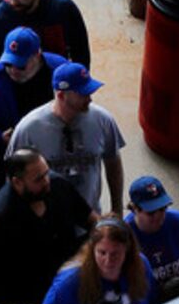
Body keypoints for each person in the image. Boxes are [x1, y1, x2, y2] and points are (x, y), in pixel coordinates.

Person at [0, 147, 94, 304]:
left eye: (46, 173)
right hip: (26, 301)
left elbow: (91, 219)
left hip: (68, 285)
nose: (47, 181)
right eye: (38, 179)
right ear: (17, 182)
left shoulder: (57, 186)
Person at [8, 61, 126, 214]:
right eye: (83, 94)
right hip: (47, 223)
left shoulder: (102, 120)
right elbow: (13, 177)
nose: (89, 99)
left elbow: (113, 162)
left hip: (90, 218)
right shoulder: (29, 129)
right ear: (61, 95)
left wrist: (117, 208)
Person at [43, 217, 154, 304]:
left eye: (115, 254)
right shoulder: (68, 284)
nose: (108, 261)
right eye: (102, 253)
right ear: (92, 250)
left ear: (127, 250)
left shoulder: (141, 265)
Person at [125, 174, 179, 287]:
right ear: (134, 209)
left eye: (162, 209)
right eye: (151, 213)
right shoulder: (124, 235)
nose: (158, 217)